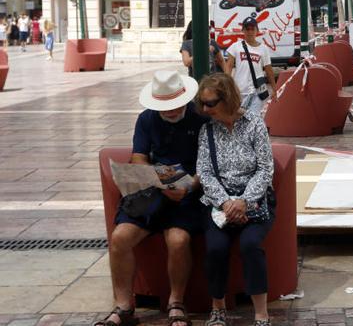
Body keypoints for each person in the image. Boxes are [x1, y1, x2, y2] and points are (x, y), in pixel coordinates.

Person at [95, 71, 207, 326]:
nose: (169, 111)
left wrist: (190, 186)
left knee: (178, 240)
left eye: (174, 106)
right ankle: (124, 306)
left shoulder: (200, 119)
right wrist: (154, 176)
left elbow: (208, 164)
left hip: (188, 195)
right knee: (120, 237)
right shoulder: (146, 119)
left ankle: (176, 302)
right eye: (163, 107)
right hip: (153, 192)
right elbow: (139, 156)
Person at [196, 73, 274, 326]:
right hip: (220, 203)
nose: (205, 109)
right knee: (216, 248)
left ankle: (261, 314)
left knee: (250, 245)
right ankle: (218, 307)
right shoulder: (207, 131)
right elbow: (204, 172)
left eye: (210, 103)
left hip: (254, 201)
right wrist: (226, 203)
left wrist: (244, 201)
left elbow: (265, 168)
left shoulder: (254, 124)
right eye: (202, 103)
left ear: (227, 99)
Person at [224, 17, 278, 115]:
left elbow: (268, 70)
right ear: (243, 30)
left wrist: (274, 89)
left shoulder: (264, 49)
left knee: (254, 119)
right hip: (239, 92)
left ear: (257, 30)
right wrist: (227, 86)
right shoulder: (235, 46)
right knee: (239, 120)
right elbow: (228, 67)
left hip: (257, 91)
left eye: (252, 29)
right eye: (247, 29)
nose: (249, 32)